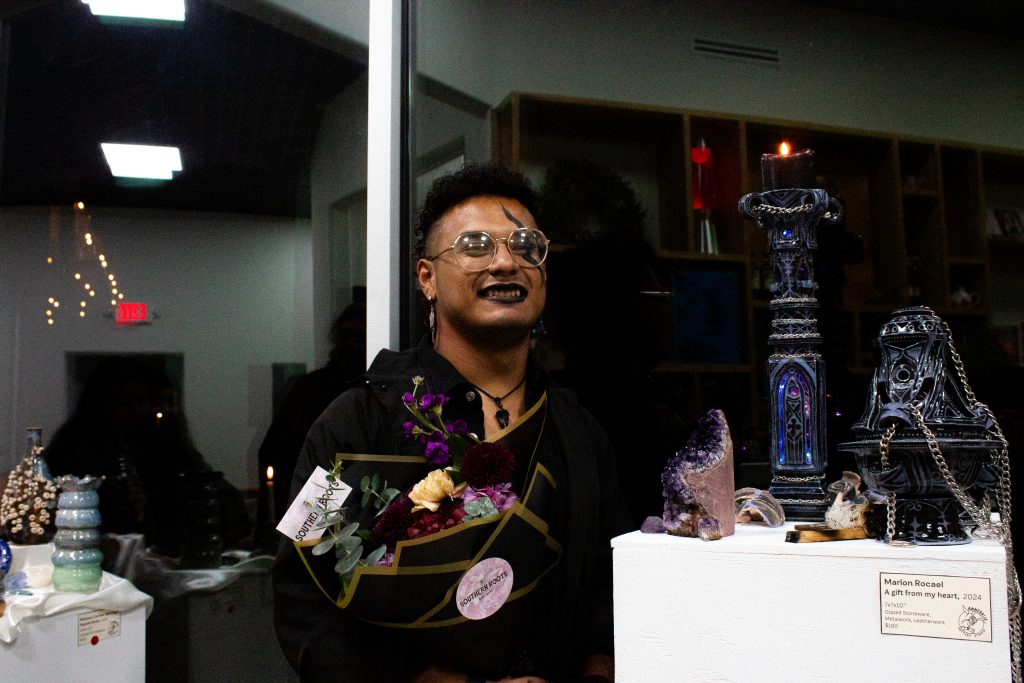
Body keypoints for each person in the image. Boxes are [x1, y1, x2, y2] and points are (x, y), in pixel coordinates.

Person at [272, 164, 632, 682]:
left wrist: (599, 670)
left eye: (526, 245)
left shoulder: (578, 432)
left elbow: (609, 579)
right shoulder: (355, 423)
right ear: (427, 279)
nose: (506, 262)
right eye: (476, 245)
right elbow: (302, 599)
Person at [257, 301, 367, 527]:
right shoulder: (309, 389)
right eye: (347, 336)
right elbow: (275, 452)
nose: (352, 344)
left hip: (355, 502)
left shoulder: (370, 393)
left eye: (359, 337)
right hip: (309, 494)